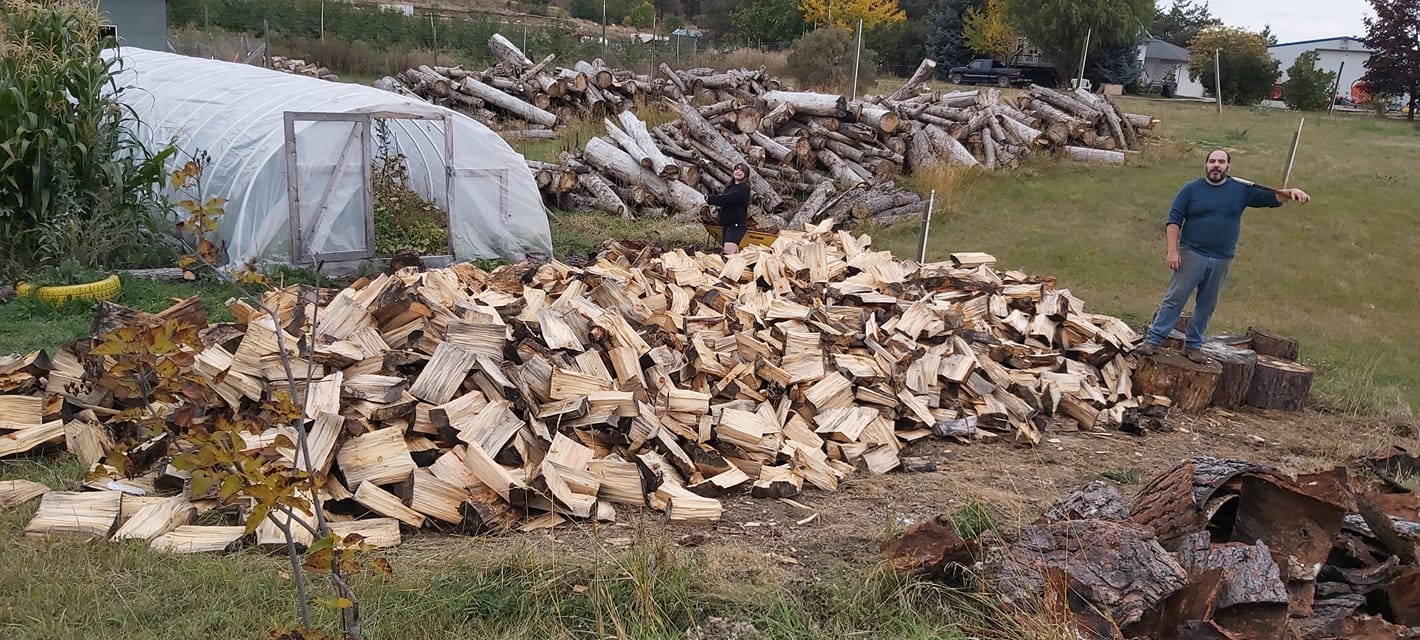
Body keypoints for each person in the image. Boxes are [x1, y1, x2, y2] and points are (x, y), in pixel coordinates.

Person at [1135, 149, 1312, 362]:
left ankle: (1192, 346)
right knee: (1175, 298)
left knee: (1207, 304)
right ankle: (1153, 341)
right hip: (1192, 253)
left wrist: (1291, 192)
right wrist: (1172, 251)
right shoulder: (1191, 189)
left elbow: (1272, 198)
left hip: (1222, 257)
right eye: (1212, 161)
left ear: (1228, 167)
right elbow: (1174, 219)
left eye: (1221, 162)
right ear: (1206, 165)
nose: (1216, 165)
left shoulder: (1240, 190)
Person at [706, 163, 750, 255]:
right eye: (736, 169)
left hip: (736, 224)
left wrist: (711, 199)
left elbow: (728, 199)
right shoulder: (730, 187)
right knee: (732, 252)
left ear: (746, 174)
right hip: (727, 224)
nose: (738, 172)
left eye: (741, 170)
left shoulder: (744, 188)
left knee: (729, 252)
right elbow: (726, 201)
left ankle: (731, 268)